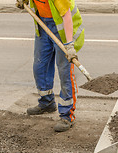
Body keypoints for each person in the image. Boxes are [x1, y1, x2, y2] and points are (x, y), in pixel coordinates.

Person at [16, 0, 85, 132]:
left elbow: (66, 16)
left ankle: (67, 115)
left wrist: (69, 44)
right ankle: (46, 102)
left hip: (63, 30)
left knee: (65, 72)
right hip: (43, 25)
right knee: (40, 67)